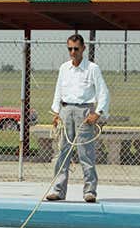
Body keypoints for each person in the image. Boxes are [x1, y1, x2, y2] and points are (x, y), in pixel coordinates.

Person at [46, 34, 109, 203]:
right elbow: (58, 91)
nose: (73, 52)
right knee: (63, 153)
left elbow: (103, 92)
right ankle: (58, 190)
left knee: (85, 153)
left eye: (76, 48)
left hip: (84, 113)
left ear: (83, 49)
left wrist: (98, 113)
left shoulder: (92, 69)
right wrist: (56, 112)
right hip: (66, 110)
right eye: (70, 49)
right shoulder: (64, 68)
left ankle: (90, 191)